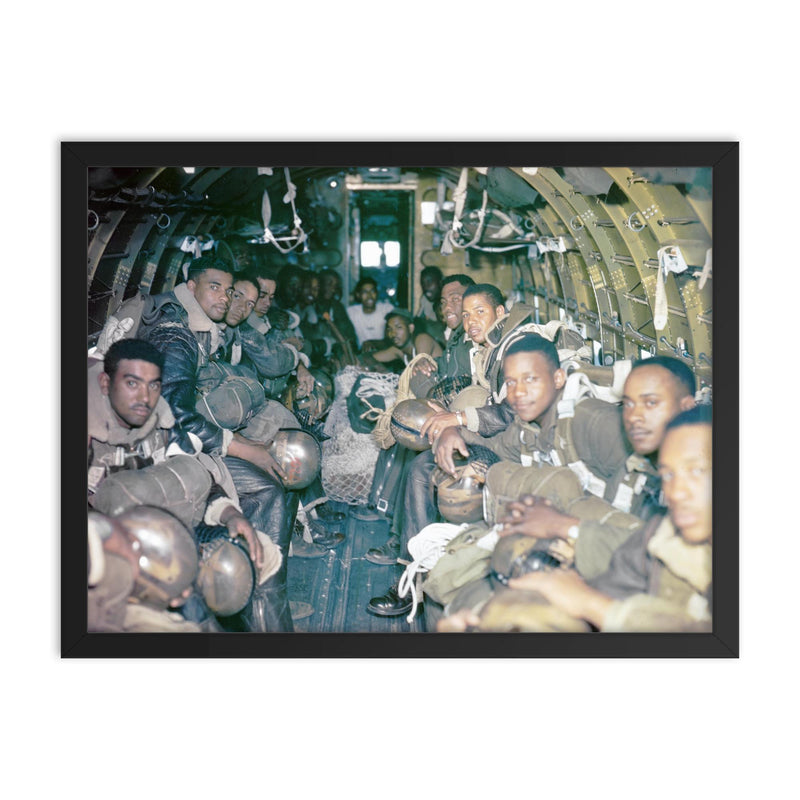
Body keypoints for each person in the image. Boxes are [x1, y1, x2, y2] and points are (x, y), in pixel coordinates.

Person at [367, 332, 628, 618]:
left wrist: (570, 530)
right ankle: (419, 581)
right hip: (555, 543)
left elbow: (639, 517)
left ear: (557, 379)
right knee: (447, 586)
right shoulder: (527, 427)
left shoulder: (594, 421)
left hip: (605, 556)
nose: (518, 392)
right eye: (511, 383)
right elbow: (495, 446)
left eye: (530, 380)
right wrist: (452, 431)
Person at [439, 405, 713, 633]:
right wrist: (487, 618)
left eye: (697, 471)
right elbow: (614, 580)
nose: (676, 492)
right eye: (668, 475)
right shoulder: (664, 534)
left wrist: (592, 605)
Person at [136, 255, 300, 631]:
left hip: (191, 441)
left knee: (270, 484)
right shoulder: (176, 334)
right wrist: (240, 447)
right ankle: (258, 607)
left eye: (229, 290)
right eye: (215, 288)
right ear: (190, 286)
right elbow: (175, 416)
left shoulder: (205, 326)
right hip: (167, 453)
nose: (225, 298)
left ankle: (261, 603)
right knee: (267, 489)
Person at [87, 338, 276, 630]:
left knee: (257, 554)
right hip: (105, 560)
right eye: (132, 384)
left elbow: (195, 478)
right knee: (189, 613)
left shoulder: (161, 422)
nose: (145, 398)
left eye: (154, 385)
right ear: (104, 384)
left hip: (168, 532)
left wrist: (230, 514)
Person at [495, 355, 697, 579]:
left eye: (651, 403)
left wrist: (566, 527)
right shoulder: (635, 467)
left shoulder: (700, 475)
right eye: (629, 404)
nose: (634, 417)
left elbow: (675, 560)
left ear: (687, 407)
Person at [358, 308, 443, 374]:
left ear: (410, 328)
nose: (393, 334)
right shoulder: (398, 350)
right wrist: (382, 370)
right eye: (389, 329)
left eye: (399, 327)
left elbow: (421, 361)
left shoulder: (422, 338)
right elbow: (367, 357)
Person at [346, 275, 395, 350]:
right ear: (358, 295)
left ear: (377, 293)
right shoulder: (351, 312)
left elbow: (391, 338)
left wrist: (372, 343)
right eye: (365, 292)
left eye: (372, 291)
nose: (369, 296)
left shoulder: (386, 309)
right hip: (361, 354)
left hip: (384, 352)